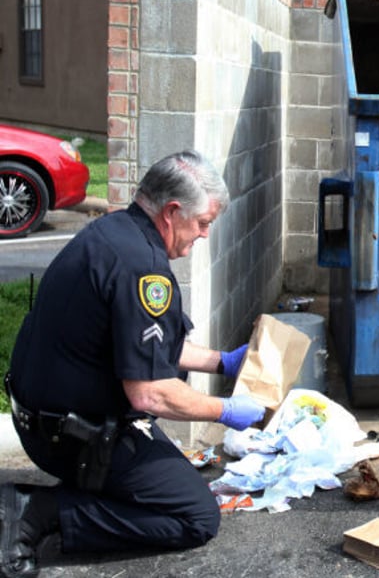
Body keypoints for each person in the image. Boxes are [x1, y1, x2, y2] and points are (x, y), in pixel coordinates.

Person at [1, 150, 265, 577]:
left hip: (47, 416)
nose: (203, 235)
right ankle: (39, 511)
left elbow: (146, 345)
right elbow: (149, 392)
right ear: (172, 212)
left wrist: (223, 363)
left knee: (170, 479)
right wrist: (227, 412)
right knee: (196, 516)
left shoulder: (114, 233)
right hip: (69, 435)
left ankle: (82, 493)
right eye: (203, 224)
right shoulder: (143, 267)